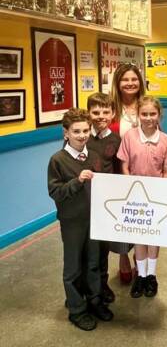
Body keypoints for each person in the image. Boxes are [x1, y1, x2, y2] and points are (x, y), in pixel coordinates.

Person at [48, 108, 113, 331]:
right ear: (66, 133)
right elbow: (55, 192)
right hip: (72, 222)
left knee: (93, 263)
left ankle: (94, 300)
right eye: (76, 131)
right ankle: (77, 309)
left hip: (94, 219)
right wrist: (77, 181)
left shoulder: (94, 156)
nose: (82, 135)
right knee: (74, 267)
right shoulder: (57, 160)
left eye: (86, 130)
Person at [117, 96, 167, 298]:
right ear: (138, 115)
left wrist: (164, 189)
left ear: (159, 115)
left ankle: (151, 275)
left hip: (155, 196)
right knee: (139, 236)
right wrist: (130, 186)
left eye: (153, 114)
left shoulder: (166, 140)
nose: (148, 118)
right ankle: (140, 276)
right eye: (144, 114)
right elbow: (124, 165)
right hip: (135, 196)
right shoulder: (129, 137)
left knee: (153, 236)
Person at [109, 63, 146, 284]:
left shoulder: (147, 104)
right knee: (122, 214)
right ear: (118, 83)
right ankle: (123, 256)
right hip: (116, 169)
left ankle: (140, 255)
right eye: (125, 79)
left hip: (143, 169)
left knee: (141, 214)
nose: (130, 83)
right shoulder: (110, 106)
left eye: (134, 79)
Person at [86, 92, 121, 304]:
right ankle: (87, 285)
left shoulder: (116, 140)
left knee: (103, 247)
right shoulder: (82, 136)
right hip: (85, 200)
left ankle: (102, 283)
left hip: (106, 202)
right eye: (96, 112)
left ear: (113, 113)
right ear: (88, 113)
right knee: (87, 246)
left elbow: (118, 170)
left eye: (105, 111)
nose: (101, 116)